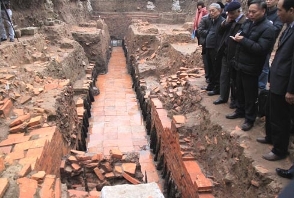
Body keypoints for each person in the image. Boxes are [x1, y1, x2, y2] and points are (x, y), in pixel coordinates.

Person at [225, 0, 276, 131]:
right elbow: (243, 32)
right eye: (249, 12)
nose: (251, 14)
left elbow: (261, 49)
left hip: (252, 66)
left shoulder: (268, 28)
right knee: (239, 90)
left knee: (250, 94)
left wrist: (244, 41)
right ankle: (240, 110)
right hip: (240, 63)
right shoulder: (248, 22)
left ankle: (249, 118)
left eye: (254, 12)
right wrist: (239, 36)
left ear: (263, 11)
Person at [261, 0, 294, 161]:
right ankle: (271, 137)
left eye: (280, 10)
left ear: (291, 10)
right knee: (271, 111)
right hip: (277, 79)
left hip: (285, 84)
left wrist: (291, 89)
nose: (277, 13)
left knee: (281, 118)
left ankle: (280, 150)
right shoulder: (289, 27)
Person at [213, 2, 246, 107]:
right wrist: (226, 22)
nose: (229, 15)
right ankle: (223, 97)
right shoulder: (229, 20)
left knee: (234, 79)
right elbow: (220, 31)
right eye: (228, 13)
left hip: (236, 54)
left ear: (239, 11)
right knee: (224, 76)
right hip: (226, 51)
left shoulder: (244, 22)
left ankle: (234, 100)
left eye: (232, 13)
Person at [198, 3, 224, 93]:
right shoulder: (212, 20)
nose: (211, 13)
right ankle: (211, 85)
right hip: (208, 47)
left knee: (216, 68)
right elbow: (200, 30)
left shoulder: (222, 22)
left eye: (213, 11)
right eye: (210, 11)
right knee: (210, 68)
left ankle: (217, 88)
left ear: (219, 11)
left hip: (216, 49)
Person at [258, 0, 283, 90]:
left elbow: (276, 29)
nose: (268, 1)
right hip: (256, 44)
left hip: (267, 45)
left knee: (264, 68)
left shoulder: (278, 14)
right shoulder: (262, 10)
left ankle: (261, 91)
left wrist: (263, 28)